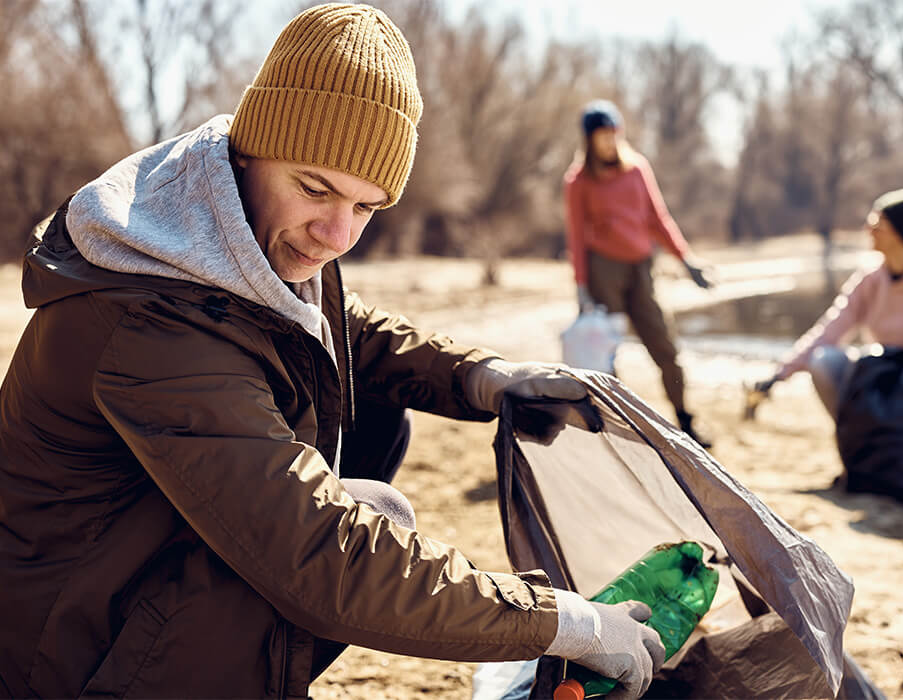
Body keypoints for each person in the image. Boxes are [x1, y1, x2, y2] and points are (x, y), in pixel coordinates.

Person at [0, 5, 666, 698]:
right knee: (361, 530)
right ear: (248, 149)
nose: (336, 234)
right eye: (315, 189)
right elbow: (318, 551)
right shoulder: (153, 311)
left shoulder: (232, 233)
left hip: (119, 568)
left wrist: (482, 377)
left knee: (375, 418)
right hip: (56, 654)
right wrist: (564, 621)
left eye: (367, 208)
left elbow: (339, 324)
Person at [564, 99, 716, 448]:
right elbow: (576, 236)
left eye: (612, 133)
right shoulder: (578, 181)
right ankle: (612, 429)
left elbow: (657, 219)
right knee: (605, 353)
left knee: (664, 346)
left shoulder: (636, 170)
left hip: (641, 270)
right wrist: (582, 287)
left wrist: (686, 259)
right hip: (604, 272)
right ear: (588, 140)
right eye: (600, 136)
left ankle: (685, 420)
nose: (608, 142)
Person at [754, 188, 903, 419]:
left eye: (876, 224)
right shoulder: (870, 280)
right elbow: (829, 330)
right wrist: (780, 373)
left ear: (900, 232)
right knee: (824, 363)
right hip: (884, 381)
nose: (868, 230)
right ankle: (856, 433)